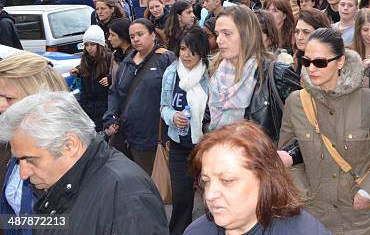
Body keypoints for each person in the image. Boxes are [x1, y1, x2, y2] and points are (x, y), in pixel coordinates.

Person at [279, 28, 370, 235]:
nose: (311, 68)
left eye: (320, 62)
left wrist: (368, 192)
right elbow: (287, 155)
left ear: (340, 62)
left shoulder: (369, 101)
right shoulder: (296, 103)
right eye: (306, 61)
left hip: (362, 220)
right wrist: (304, 195)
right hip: (315, 218)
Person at [0, 92, 168, 234]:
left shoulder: (127, 199)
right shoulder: (61, 180)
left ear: (70, 145)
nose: (23, 174)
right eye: (18, 161)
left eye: (29, 160)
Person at [185, 121, 332, 235]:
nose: (210, 195)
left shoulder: (304, 231)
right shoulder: (197, 231)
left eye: (227, 181)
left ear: (265, 179)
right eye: (206, 181)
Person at [206, 6, 301, 142]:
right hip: (224, 156)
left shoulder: (276, 74)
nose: (219, 40)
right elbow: (207, 119)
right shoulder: (216, 73)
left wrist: (287, 156)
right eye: (217, 34)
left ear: (247, 34)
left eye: (226, 33)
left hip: (262, 159)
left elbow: (306, 127)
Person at [0, 53, 68, 231]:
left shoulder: (65, 162)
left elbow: (67, 223)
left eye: (8, 98)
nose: (1, 105)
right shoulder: (18, 145)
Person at [103, 18, 176, 175]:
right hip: (126, 135)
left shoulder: (166, 59)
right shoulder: (126, 63)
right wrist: (111, 117)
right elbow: (115, 93)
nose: (136, 39)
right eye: (132, 36)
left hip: (153, 137)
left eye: (140, 34)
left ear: (152, 35)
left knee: (153, 181)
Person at [160, 27, 210, 235]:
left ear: (202, 52)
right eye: (182, 49)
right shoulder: (172, 72)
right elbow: (163, 106)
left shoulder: (212, 72)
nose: (186, 55)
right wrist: (173, 117)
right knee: (181, 200)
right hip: (180, 147)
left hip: (207, 147)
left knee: (213, 198)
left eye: (192, 50)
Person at [72, 25, 112, 132]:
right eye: (87, 45)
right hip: (89, 108)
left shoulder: (109, 58)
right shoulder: (85, 61)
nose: (89, 48)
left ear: (100, 45)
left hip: (105, 106)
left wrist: (110, 78)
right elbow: (84, 89)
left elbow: (119, 75)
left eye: (93, 45)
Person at [293, 9, 331, 76]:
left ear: (320, 33)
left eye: (306, 32)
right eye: (297, 31)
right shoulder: (297, 57)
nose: (299, 37)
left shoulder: (330, 61)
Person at [107, 18, 132, 86]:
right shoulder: (115, 55)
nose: (109, 38)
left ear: (123, 35)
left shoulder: (136, 56)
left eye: (112, 35)